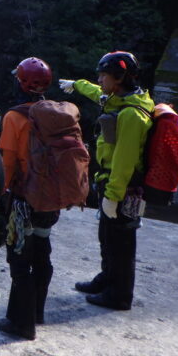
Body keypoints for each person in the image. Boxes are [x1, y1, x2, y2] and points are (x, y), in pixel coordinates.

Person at [60, 50, 154, 310]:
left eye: (104, 75)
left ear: (119, 78)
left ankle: (119, 295)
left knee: (121, 243)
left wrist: (113, 195)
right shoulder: (119, 99)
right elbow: (96, 92)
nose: (100, 80)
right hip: (111, 182)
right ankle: (107, 279)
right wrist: (76, 85)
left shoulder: (131, 114)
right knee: (107, 237)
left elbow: (125, 160)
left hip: (124, 188)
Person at [0, 57, 60, 341]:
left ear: (21, 83)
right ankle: (36, 312)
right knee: (42, 251)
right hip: (51, 199)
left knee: (20, 258)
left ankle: (21, 322)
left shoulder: (15, 117)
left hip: (23, 200)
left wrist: (1, 194)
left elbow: (8, 163)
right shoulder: (57, 112)